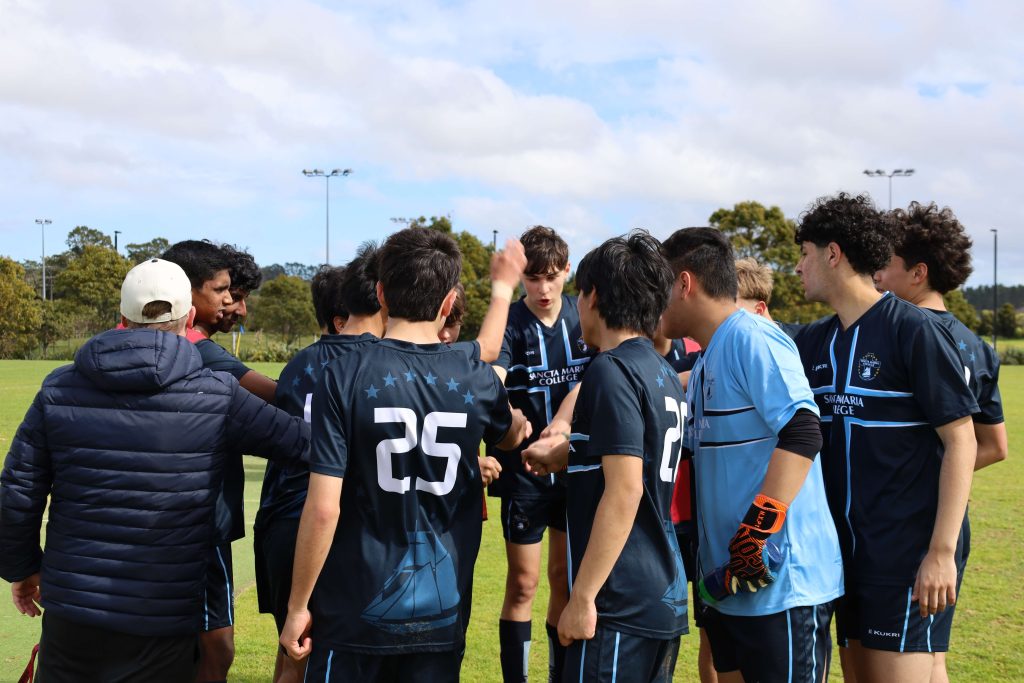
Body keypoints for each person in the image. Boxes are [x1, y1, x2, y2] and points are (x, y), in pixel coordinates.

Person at [0, 258, 310, 682]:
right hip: (164, 614)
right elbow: (307, 446)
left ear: (122, 317)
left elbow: (17, 492)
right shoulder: (218, 394)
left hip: (74, 612)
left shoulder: (59, 387)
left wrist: (22, 568)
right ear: (189, 318)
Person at [279, 226, 530, 681]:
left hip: (351, 611)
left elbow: (323, 508)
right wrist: (519, 425)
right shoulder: (474, 376)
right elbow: (509, 433)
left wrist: (298, 606)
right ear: (448, 304)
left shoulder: (342, 373)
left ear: (380, 293)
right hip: (440, 614)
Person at [791, 193, 978, 683]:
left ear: (833, 254)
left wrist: (941, 553)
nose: (798, 267)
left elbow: (963, 441)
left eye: (805, 253)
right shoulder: (813, 340)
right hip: (841, 556)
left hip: (904, 558)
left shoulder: (914, 331)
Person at [656, 228, 843, 682]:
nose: (653, 302)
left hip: (782, 586)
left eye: (658, 287)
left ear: (684, 284)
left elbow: (803, 430)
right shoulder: (707, 357)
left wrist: (756, 534)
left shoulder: (752, 336)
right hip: (731, 585)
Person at [523, 230, 689, 681]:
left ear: (593, 296)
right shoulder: (661, 371)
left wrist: (582, 597)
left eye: (579, 294)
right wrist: (568, 453)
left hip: (618, 601)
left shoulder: (610, 370)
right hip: (661, 594)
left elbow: (626, 489)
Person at [873, 201, 1008, 683]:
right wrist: (940, 477)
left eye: (887, 263)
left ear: (918, 273)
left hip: (916, 533)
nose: (877, 274)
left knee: (909, 657)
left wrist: (916, 479)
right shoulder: (977, 344)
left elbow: (969, 443)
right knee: (931, 656)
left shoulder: (910, 335)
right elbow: (994, 445)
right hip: (943, 523)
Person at [255, 251, 380, 683]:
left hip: (282, 524)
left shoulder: (298, 364)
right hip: (335, 529)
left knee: (292, 655)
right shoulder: (378, 364)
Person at [161, 239, 277, 682]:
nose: (238, 308)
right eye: (227, 293)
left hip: (166, 522)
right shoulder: (202, 351)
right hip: (200, 524)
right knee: (216, 647)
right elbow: (281, 403)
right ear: (187, 292)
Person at [489, 225, 594, 683]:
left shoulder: (583, 315)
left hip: (577, 469)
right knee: (523, 584)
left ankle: (559, 675)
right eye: (532, 278)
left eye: (552, 277)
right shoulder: (510, 323)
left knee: (564, 578)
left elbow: (604, 372)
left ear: (567, 271)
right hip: (524, 476)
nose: (543, 288)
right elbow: (491, 381)